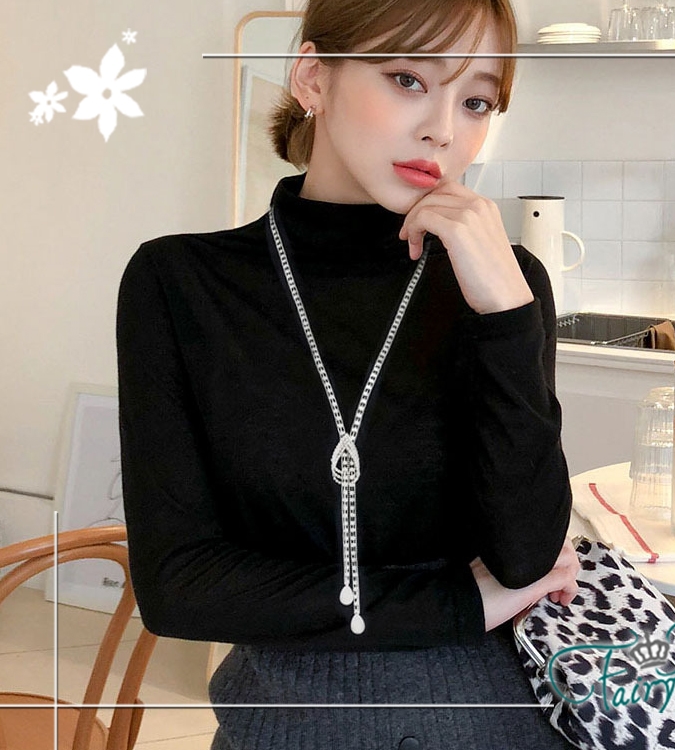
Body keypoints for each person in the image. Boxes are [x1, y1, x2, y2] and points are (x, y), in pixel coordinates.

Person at [116, 0, 581, 747]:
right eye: (408, 80)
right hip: (277, 725)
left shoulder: (502, 283)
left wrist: (505, 312)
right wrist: (454, 601)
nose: (443, 130)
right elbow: (179, 588)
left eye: (476, 102)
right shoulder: (180, 283)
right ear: (312, 77)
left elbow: (526, 557)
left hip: (488, 723)